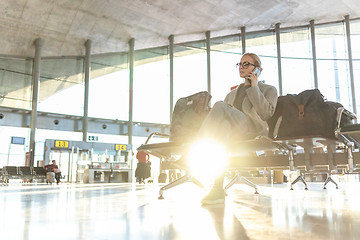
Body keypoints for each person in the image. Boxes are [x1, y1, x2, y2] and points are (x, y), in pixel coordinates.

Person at [199, 53, 278, 205]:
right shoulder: (232, 94)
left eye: (246, 64)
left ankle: (197, 146)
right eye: (240, 64)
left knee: (219, 105)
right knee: (222, 128)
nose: (241, 67)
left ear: (258, 69)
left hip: (252, 129)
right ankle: (217, 188)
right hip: (233, 131)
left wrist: (254, 87)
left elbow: (265, 113)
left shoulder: (268, 89)